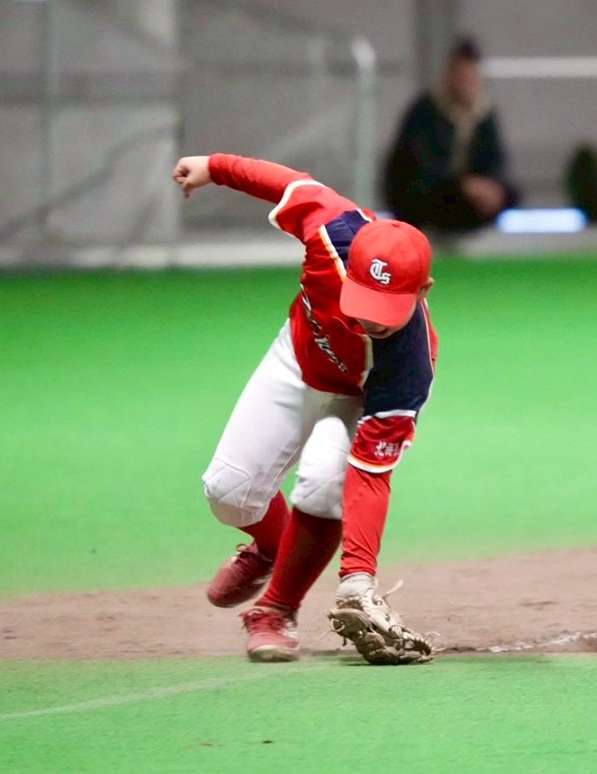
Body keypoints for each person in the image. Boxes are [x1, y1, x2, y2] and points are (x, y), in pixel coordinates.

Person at [172, 153, 437, 665]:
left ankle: (275, 610)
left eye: (385, 314)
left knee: (321, 483)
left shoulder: (408, 368)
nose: (369, 323)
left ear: (422, 291)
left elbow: (370, 475)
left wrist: (357, 577)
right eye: (363, 300)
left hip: (354, 399)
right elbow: (286, 183)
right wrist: (212, 166)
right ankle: (274, 548)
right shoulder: (332, 232)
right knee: (228, 493)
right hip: (296, 358)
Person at [383, 36, 518, 232]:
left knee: (508, 192)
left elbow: (495, 158)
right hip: (427, 195)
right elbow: (420, 167)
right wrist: (464, 186)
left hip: (466, 197)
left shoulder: (484, 114)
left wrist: (490, 187)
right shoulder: (425, 111)